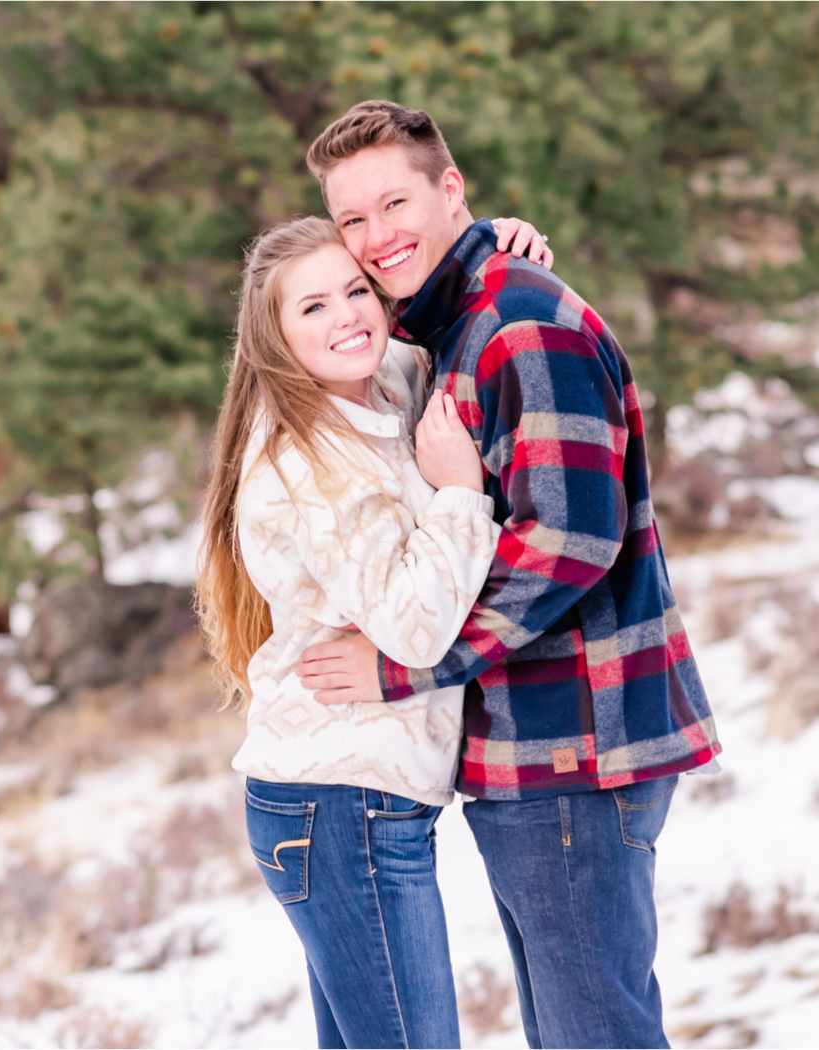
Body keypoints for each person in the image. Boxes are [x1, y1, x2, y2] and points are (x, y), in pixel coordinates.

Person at [294, 100, 722, 1050]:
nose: (375, 238)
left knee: (594, 1035)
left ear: (450, 189)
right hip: (539, 750)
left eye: (395, 203)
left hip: (573, 743)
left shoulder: (517, 323)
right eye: (352, 220)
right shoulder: (457, 318)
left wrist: (402, 669)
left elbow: (569, 541)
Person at [195, 213, 552, 1049]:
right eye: (312, 308)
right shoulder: (309, 465)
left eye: (355, 291)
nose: (347, 316)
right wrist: (462, 494)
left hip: (354, 805)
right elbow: (417, 631)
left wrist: (488, 242)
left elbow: (427, 310)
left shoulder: (378, 382)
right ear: (276, 339)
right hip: (341, 807)